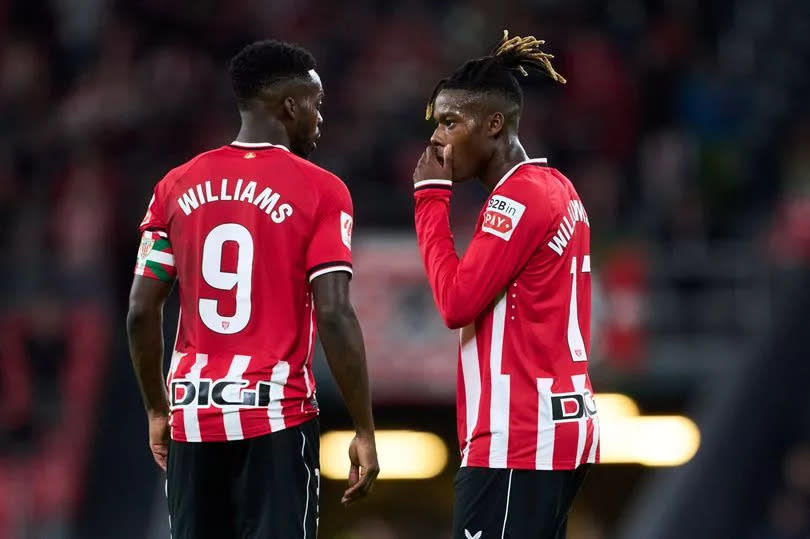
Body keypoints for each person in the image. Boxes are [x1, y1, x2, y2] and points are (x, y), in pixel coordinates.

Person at [126, 39, 378, 539]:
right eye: (316, 104)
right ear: (290, 105)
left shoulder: (174, 186)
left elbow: (139, 310)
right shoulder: (323, 190)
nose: (320, 118)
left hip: (194, 415)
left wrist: (158, 409)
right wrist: (364, 428)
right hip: (275, 417)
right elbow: (334, 313)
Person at [412, 31, 599, 538]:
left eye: (451, 122)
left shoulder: (516, 199)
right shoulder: (558, 186)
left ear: (494, 124)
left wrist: (430, 199)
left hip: (518, 435)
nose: (437, 140)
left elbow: (455, 303)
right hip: (558, 425)